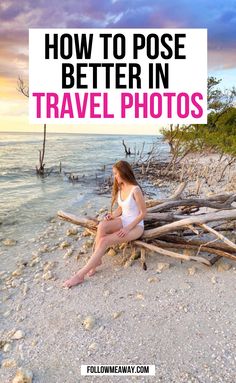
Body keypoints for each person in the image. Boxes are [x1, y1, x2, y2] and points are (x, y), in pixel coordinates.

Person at [63, 160, 146, 288]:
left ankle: (80, 275)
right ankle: (97, 260)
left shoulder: (136, 190)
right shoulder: (122, 187)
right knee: (102, 225)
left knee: (104, 241)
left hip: (136, 226)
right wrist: (112, 215)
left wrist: (128, 229)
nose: (114, 177)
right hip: (124, 220)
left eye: (116, 174)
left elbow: (142, 213)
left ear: (123, 173)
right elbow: (122, 208)